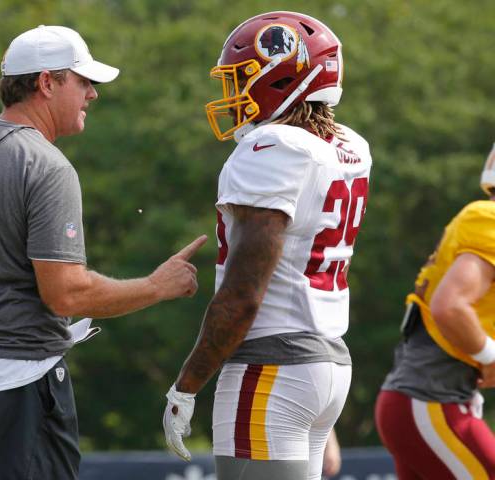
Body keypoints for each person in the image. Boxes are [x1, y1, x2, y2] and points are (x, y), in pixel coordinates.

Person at [0, 24, 207, 479]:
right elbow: (66, 294)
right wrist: (155, 287)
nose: (93, 94)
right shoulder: (46, 164)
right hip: (19, 392)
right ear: (46, 82)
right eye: (84, 81)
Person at [162, 11, 372, 480]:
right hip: (327, 364)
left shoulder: (273, 147)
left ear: (282, 78)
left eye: (242, 79)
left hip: (271, 366)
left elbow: (242, 296)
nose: (233, 94)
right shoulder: (349, 145)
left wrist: (187, 385)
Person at [376, 145, 495, 478]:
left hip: (427, 398)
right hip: (431, 399)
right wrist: (489, 355)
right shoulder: (490, 221)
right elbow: (450, 305)